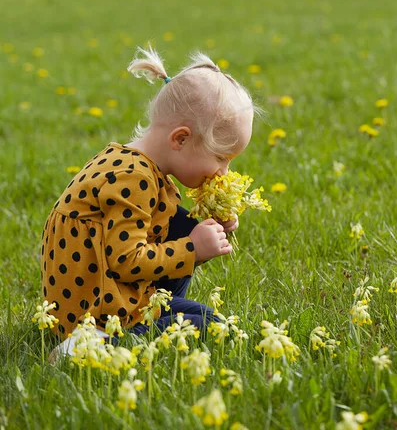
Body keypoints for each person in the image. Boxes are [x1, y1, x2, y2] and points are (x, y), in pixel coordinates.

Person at [41, 46, 256, 351]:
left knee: (207, 313)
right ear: (180, 139)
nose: (223, 171)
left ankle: (143, 316)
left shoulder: (136, 163)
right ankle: (87, 345)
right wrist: (193, 248)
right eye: (221, 158)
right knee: (215, 328)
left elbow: (162, 230)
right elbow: (126, 260)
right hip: (95, 315)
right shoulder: (135, 179)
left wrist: (208, 227)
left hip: (113, 295)